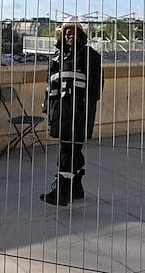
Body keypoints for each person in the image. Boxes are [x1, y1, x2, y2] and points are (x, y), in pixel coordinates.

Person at [40, 17, 103, 206]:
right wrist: (47, 109)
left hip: (78, 116)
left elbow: (95, 88)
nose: (70, 35)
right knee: (73, 151)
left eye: (74, 31)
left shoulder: (90, 56)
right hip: (60, 115)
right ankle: (76, 188)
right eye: (67, 31)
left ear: (81, 33)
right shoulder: (57, 59)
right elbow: (50, 87)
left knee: (67, 152)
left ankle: (61, 192)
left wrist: (82, 111)